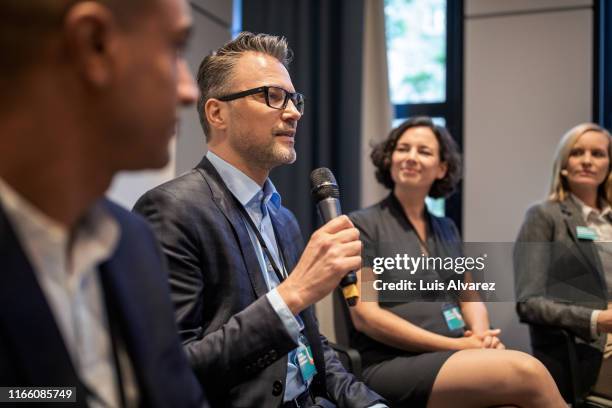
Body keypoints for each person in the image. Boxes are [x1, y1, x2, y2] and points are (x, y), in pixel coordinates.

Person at [133, 32, 387, 408]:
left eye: (294, 99)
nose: (294, 112)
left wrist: (369, 403)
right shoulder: (172, 210)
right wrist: (292, 295)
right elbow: (176, 368)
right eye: (272, 95)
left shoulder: (283, 219)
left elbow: (314, 350)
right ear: (217, 113)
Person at [0, 0, 207, 407]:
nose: (189, 91)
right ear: (94, 44)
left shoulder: (132, 243)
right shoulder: (166, 216)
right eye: (176, 49)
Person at [347, 117, 566, 408]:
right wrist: (460, 345)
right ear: (390, 158)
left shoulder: (446, 227)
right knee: (529, 371)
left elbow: (470, 296)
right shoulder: (362, 225)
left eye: (423, 151)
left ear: (442, 168)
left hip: (456, 353)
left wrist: (481, 337)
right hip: (390, 362)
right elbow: (366, 317)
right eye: (403, 148)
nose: (411, 157)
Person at [515, 122, 612, 402]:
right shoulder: (545, 216)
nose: (587, 160)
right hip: (591, 343)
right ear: (564, 163)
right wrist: (597, 320)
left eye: (598, 154)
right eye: (577, 152)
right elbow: (528, 303)